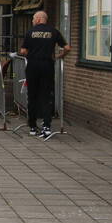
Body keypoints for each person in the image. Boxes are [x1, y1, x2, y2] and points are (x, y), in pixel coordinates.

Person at [19, 10, 70, 138]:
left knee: (32, 96)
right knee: (46, 96)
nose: (32, 21)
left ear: (38, 19)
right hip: (47, 66)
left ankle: (32, 126)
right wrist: (59, 56)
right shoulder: (54, 31)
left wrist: (31, 53)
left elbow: (23, 51)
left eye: (33, 19)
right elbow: (67, 47)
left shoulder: (30, 32)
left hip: (33, 67)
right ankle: (46, 126)